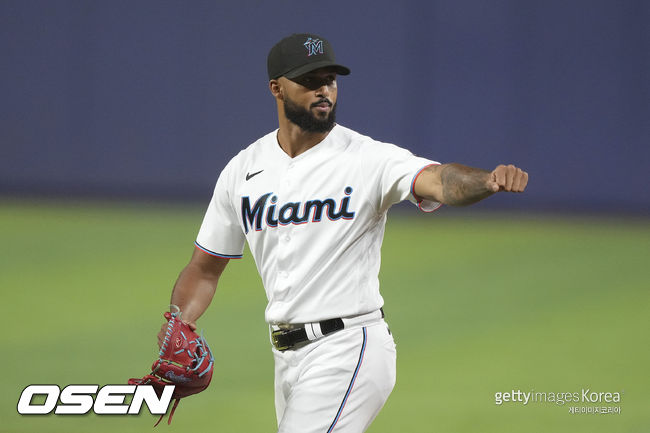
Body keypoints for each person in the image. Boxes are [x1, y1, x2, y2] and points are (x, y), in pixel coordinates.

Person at [158, 33, 528, 432]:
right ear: (276, 88)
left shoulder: (368, 158)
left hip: (349, 347)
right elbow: (206, 266)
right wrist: (181, 320)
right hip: (287, 359)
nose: (324, 90)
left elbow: (440, 180)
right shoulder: (242, 170)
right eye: (310, 80)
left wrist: (486, 180)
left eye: (330, 80)